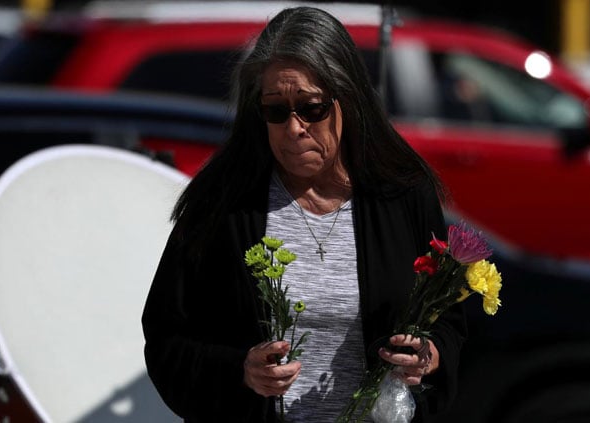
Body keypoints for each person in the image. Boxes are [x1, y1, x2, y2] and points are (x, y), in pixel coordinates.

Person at [142, 6, 466, 422]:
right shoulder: (224, 202)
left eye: (312, 108)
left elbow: (450, 323)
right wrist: (241, 370)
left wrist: (429, 356)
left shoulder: (402, 194)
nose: (294, 128)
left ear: (347, 99)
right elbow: (168, 339)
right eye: (275, 111)